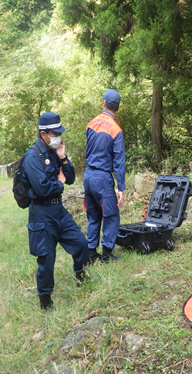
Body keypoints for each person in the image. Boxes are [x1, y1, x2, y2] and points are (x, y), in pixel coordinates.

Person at [22, 112, 90, 310]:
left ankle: (80, 275)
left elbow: (69, 179)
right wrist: (58, 183)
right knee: (47, 259)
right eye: (54, 133)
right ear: (43, 134)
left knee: (80, 243)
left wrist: (63, 158)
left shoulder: (54, 151)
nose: (58, 137)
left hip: (58, 210)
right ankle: (45, 301)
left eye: (59, 133)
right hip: (41, 214)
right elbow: (43, 188)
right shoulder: (32, 157)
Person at [83, 89, 126, 263]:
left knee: (93, 215)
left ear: (104, 103)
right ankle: (107, 255)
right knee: (111, 215)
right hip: (102, 178)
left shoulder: (91, 124)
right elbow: (119, 162)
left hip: (88, 176)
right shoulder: (116, 130)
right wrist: (121, 188)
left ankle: (91, 252)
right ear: (118, 108)